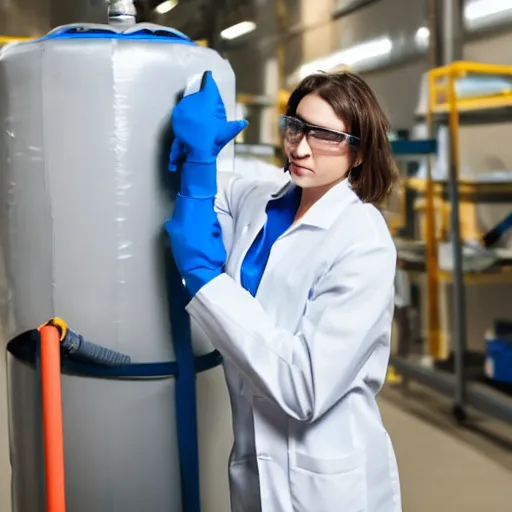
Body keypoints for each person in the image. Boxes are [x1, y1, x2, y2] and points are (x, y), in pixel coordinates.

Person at [166, 70, 401, 512]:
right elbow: (210, 192)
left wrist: (206, 280)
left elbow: (303, 388)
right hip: (254, 460)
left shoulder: (362, 241)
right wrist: (200, 158)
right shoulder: (265, 197)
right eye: (297, 126)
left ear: (360, 153)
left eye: (326, 135)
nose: (301, 147)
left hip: (325, 481)